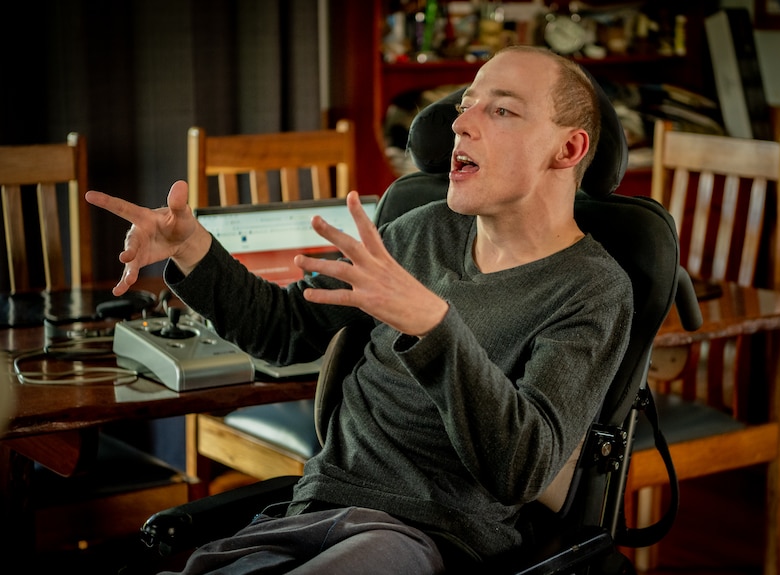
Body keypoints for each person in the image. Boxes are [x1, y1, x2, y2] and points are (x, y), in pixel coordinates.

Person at [87, 45, 633, 574]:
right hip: (312, 510)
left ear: (568, 149)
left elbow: (522, 468)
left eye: (502, 109)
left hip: (429, 538)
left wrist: (432, 327)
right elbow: (286, 331)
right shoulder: (419, 232)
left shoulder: (591, 289)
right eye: (466, 103)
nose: (461, 123)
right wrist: (190, 247)